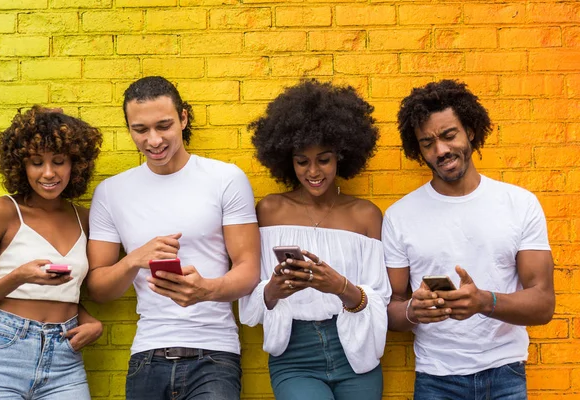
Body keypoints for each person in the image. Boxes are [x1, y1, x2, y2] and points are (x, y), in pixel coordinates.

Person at [86, 76, 261, 400]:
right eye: (141, 130)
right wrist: (134, 259)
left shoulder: (225, 179)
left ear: (183, 118)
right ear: (129, 128)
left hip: (215, 354)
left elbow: (249, 270)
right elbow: (98, 288)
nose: (153, 140)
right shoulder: (111, 193)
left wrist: (206, 289)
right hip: (147, 355)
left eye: (163, 125)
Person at [383, 79, 555, 399]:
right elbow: (391, 310)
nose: (441, 150)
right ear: (418, 150)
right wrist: (412, 311)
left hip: (505, 372)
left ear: (470, 131)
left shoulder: (519, 204)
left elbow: (543, 304)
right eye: (427, 143)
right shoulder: (399, 216)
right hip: (436, 378)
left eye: (449, 135)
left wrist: (484, 302)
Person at [240, 80, 391, 400]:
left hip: (356, 355)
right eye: (301, 161)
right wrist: (273, 290)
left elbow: (381, 298)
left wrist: (341, 287)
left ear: (341, 156)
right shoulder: (270, 210)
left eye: (323, 159)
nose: (313, 171)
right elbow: (249, 303)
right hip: (295, 356)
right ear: (286, 159)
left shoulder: (366, 215)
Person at [0, 106, 104, 399]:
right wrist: (19, 276)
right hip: (1, 352)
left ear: (75, 164)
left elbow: (66, 292)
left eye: (58, 161)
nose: (49, 173)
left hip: (64, 355)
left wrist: (90, 322)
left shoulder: (85, 219)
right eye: (37, 163)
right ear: (21, 166)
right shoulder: (1, 212)